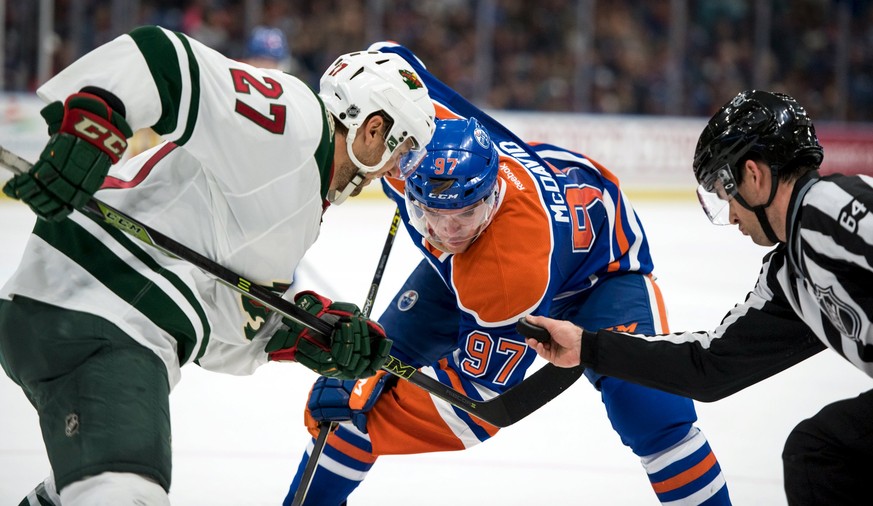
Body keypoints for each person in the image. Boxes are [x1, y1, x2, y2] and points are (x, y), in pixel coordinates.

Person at [281, 42, 733, 505]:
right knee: (354, 393)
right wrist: (361, 388)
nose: (448, 231)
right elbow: (391, 57)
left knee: (652, 413)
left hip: (599, 274)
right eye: (433, 214)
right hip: (486, 262)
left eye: (466, 213)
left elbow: (475, 409)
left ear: (492, 196)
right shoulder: (404, 120)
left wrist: (361, 397)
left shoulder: (506, 271)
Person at [0, 25, 436, 505]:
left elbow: (218, 316)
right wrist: (94, 124)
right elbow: (162, 59)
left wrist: (303, 329)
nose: (397, 168)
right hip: (98, 308)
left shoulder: (306, 198)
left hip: (105, 319)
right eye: (403, 149)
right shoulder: (297, 126)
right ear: (373, 128)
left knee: (77, 493)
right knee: (123, 495)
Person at [524, 90, 873, 504]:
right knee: (819, 453)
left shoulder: (828, 207)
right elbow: (709, 366)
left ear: (753, 175)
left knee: (822, 452)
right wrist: (588, 346)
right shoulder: (791, 276)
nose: (731, 215)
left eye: (726, 193)